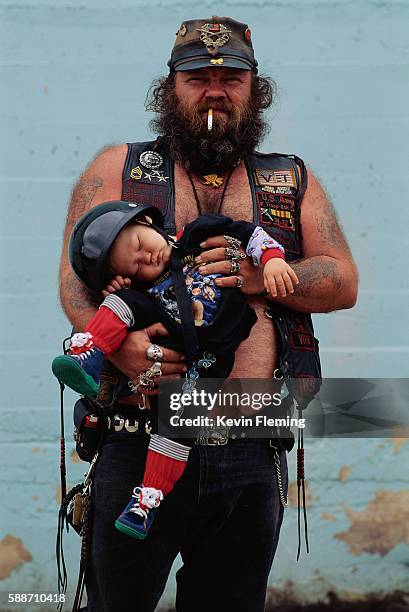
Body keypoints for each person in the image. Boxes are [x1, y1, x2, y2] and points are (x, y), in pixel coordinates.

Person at [58, 16, 358, 612]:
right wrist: (122, 345)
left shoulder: (290, 179)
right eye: (198, 77)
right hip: (136, 431)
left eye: (231, 77)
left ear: (255, 90)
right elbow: (74, 280)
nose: (215, 90)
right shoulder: (117, 167)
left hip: (250, 436)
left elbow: (343, 280)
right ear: (171, 87)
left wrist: (270, 277)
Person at [52, 200, 298, 540]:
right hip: (168, 331)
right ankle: (88, 357)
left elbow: (250, 232)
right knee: (121, 304)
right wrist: (120, 288)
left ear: (149, 222)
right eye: (133, 266)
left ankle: (146, 502)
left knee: (179, 423)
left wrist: (271, 261)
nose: (145, 259)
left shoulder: (198, 234)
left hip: (210, 358)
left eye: (139, 245)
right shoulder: (141, 286)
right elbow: (121, 300)